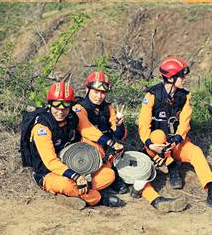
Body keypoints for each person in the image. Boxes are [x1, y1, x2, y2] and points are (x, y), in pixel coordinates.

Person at [75, 70, 185, 212]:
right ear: (87, 89)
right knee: (106, 176)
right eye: (96, 91)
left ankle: (156, 199)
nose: (99, 96)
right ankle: (88, 195)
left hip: (109, 155)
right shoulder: (79, 107)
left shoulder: (107, 108)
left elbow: (120, 135)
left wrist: (119, 124)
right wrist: (110, 143)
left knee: (137, 170)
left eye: (103, 92)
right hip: (88, 158)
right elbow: (86, 129)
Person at [138, 56, 212, 212]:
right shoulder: (152, 95)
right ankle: (172, 167)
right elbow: (144, 125)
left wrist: (177, 140)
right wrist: (150, 145)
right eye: (181, 76)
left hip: (176, 143)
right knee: (158, 134)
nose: (184, 79)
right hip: (156, 144)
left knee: (196, 152)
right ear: (171, 78)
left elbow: (184, 123)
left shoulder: (185, 97)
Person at [25, 81, 123, 208]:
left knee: (109, 175)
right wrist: (76, 177)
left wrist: (111, 143)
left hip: (74, 165)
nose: (60, 112)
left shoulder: (72, 117)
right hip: (49, 172)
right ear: (49, 105)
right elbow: (51, 161)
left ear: (70, 106)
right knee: (67, 184)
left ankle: (77, 193)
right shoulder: (42, 128)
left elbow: (87, 130)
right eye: (56, 106)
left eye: (65, 107)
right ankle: (97, 198)